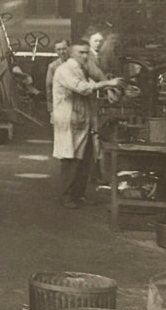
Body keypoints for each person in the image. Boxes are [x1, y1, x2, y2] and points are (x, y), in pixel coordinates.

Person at [51, 41, 121, 208]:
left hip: (83, 121)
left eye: (86, 52)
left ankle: (79, 195)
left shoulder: (83, 67)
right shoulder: (65, 70)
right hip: (69, 121)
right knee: (71, 159)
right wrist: (109, 84)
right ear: (71, 54)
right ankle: (66, 197)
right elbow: (81, 88)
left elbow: (97, 74)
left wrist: (109, 89)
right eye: (81, 52)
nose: (84, 55)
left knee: (86, 160)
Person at [45, 40, 69, 114]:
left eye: (64, 49)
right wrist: (51, 109)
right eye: (59, 49)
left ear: (69, 48)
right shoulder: (52, 66)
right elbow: (49, 87)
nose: (62, 52)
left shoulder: (77, 63)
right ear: (55, 51)